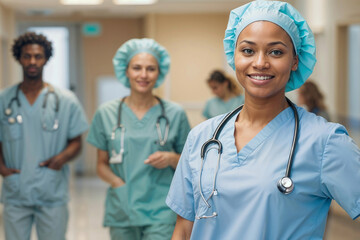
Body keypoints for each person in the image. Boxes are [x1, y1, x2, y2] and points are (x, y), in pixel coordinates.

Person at [166, 1, 360, 239]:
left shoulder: (324, 142)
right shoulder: (202, 137)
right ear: (233, 55)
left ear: (295, 60)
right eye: (248, 50)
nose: (260, 62)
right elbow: (184, 229)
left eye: (276, 51)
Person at [86, 38, 191, 240]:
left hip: (161, 208)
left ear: (159, 73)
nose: (143, 75)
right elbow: (101, 164)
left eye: (151, 69)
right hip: (122, 207)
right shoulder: (106, 113)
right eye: (137, 68)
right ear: (126, 71)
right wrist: (117, 183)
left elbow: (190, 164)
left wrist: (170, 158)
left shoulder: (175, 113)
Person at [0, 32, 89, 240]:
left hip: (52, 192)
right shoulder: (4, 99)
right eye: (27, 56)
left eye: (38, 56)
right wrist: (2, 168)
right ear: (19, 58)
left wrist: (60, 159)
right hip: (16, 191)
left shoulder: (66, 100)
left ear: (46, 58)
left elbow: (76, 143)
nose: (32, 61)